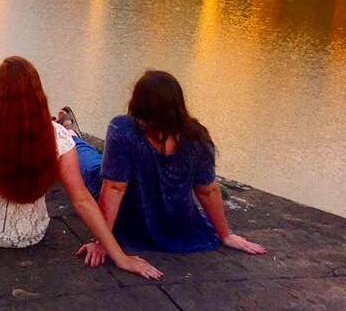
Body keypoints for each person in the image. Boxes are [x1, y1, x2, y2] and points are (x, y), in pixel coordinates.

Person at [0, 56, 163, 280]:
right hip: (26, 235)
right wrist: (120, 257)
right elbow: (81, 200)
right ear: (38, 95)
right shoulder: (58, 137)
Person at [78, 70, 266, 268]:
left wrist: (102, 243)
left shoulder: (122, 129)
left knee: (86, 159)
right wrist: (225, 235)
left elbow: (114, 187)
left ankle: (67, 132)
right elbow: (207, 190)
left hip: (127, 212)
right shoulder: (197, 137)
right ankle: (68, 132)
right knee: (87, 157)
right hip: (167, 218)